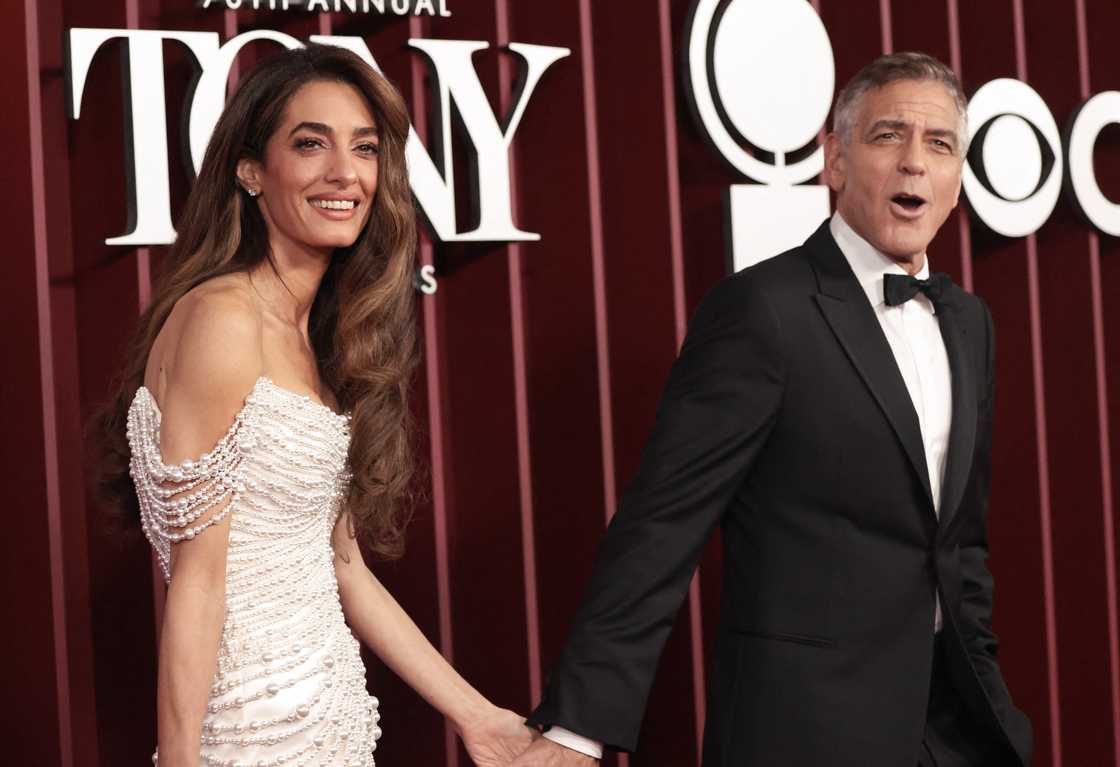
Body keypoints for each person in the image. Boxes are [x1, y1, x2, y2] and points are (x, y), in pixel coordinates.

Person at [514, 52, 1033, 767]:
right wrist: (578, 725)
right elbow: (661, 525)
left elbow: (958, 542)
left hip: (952, 731)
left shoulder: (970, 323)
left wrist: (991, 701)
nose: (915, 161)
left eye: (939, 144)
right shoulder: (764, 310)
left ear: (956, 182)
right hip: (804, 730)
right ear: (834, 161)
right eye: (888, 136)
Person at [91, 44, 532, 767]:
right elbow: (199, 580)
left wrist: (477, 718)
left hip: (330, 717)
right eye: (310, 144)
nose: (344, 174)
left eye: (363, 148)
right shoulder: (222, 319)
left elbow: (342, 565)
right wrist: (178, 758)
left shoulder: (319, 335)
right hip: (251, 729)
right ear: (250, 170)